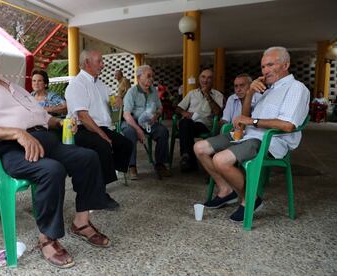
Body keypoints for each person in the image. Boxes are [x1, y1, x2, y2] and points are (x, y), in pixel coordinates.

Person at [0, 38, 111, 268]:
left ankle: (81, 223)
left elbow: (42, 118)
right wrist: (16, 133)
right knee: (51, 170)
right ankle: (47, 238)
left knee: (88, 157)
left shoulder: (16, 88)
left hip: (43, 139)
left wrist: (62, 122)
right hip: (6, 148)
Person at [194, 46, 310, 222]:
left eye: (270, 65)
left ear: (285, 65)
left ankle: (251, 199)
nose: (265, 70)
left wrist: (253, 122)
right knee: (200, 147)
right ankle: (225, 190)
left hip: (270, 140)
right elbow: (245, 116)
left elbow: (287, 125)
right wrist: (250, 93)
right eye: (263, 66)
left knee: (220, 159)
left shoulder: (296, 88)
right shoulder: (268, 88)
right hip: (248, 134)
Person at [65, 50, 132, 209]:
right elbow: (82, 116)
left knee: (125, 144)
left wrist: (117, 101)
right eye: (99, 61)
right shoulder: (77, 84)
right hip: (82, 129)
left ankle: (98, 178)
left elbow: (111, 102)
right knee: (102, 146)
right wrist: (103, 136)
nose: (102, 65)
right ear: (87, 63)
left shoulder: (101, 84)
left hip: (101, 127)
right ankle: (99, 192)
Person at [121, 65, 171, 180]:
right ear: (139, 77)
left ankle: (160, 164)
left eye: (152, 76)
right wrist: (138, 130)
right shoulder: (131, 92)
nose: (151, 78)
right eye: (148, 76)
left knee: (163, 131)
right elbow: (126, 115)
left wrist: (156, 116)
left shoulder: (154, 91)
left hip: (149, 123)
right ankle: (132, 166)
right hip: (132, 122)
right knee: (130, 132)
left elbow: (160, 108)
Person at [175, 68, 224, 172]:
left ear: (213, 80)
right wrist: (185, 113)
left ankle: (188, 158)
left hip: (205, 125)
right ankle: (187, 156)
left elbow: (218, 113)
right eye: (203, 77)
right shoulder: (192, 93)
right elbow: (179, 108)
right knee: (185, 122)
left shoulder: (218, 95)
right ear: (199, 79)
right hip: (189, 122)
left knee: (185, 126)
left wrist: (207, 96)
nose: (205, 80)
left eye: (209, 78)